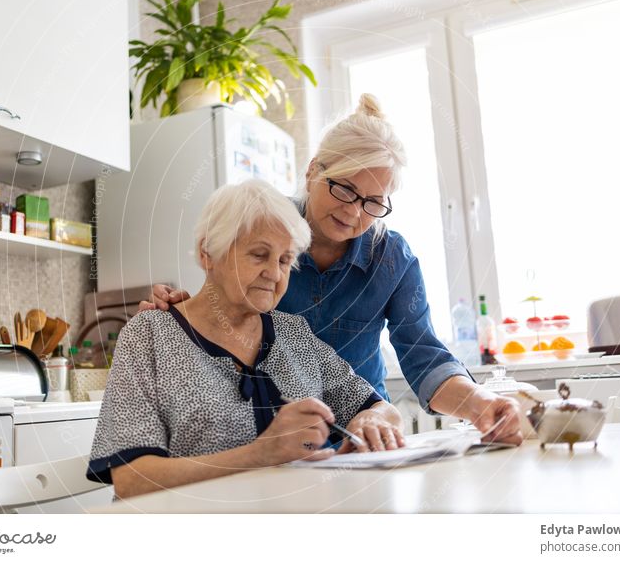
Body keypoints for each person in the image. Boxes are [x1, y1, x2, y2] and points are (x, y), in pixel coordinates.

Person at [142, 93, 522, 446]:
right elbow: (222, 314)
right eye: (343, 189)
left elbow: (424, 355)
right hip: (270, 443)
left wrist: (480, 404)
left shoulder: (391, 259)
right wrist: (180, 315)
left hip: (362, 438)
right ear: (312, 172)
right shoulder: (265, 229)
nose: (354, 212)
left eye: (374, 202)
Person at [89, 180, 404, 498]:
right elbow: (131, 479)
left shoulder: (294, 334)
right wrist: (260, 454)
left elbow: (380, 407)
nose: (275, 273)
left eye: (284, 260)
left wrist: (372, 422)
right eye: (259, 255)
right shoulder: (149, 335)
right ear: (208, 254)